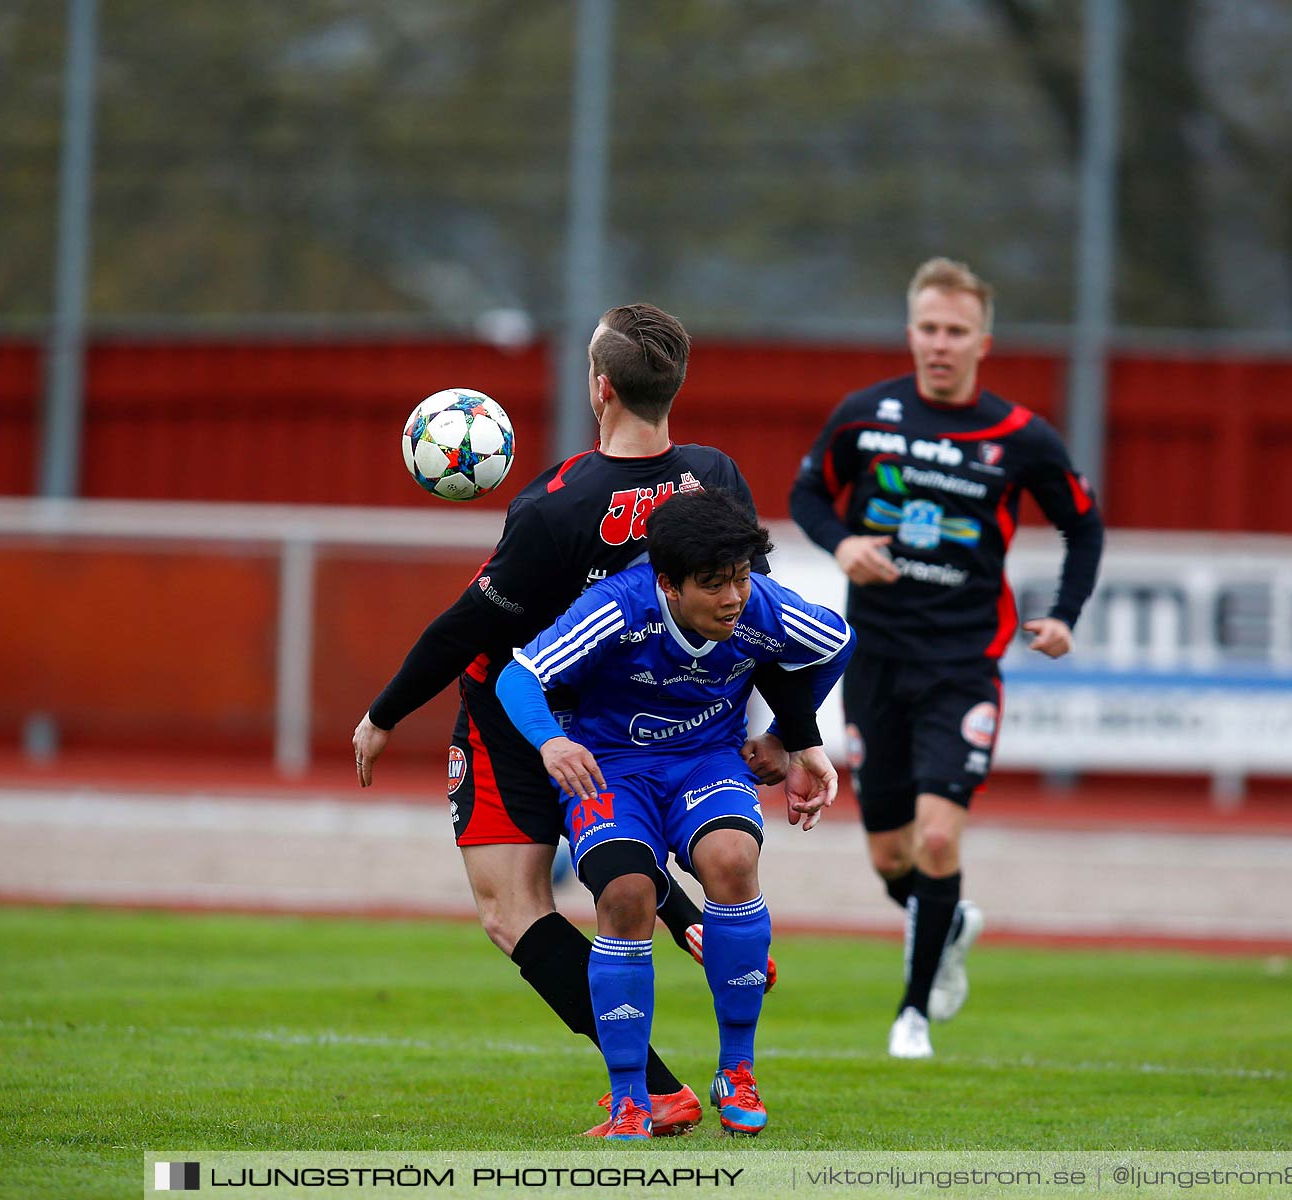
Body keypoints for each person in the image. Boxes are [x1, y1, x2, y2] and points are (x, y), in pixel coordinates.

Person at [351, 303, 834, 1137]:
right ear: (673, 384)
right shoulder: (715, 476)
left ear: (599, 388)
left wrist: (384, 712)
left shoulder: (555, 505)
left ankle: (655, 1088)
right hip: (641, 724)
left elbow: (476, 625)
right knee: (628, 873)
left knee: (513, 911)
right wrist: (799, 736)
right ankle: (690, 928)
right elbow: (766, 630)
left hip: (525, 716)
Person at [788, 257, 1105, 1059]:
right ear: (911, 333)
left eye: (956, 331)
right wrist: (843, 543)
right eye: (928, 328)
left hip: (964, 663)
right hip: (875, 662)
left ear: (983, 342)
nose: (940, 343)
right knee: (890, 854)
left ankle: (913, 1015)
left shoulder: (1020, 436)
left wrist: (1065, 614)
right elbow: (805, 495)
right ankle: (949, 919)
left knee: (936, 841)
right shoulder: (866, 416)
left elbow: (1083, 524)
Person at [495, 488, 851, 1139]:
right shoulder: (618, 606)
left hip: (707, 762)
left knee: (733, 859)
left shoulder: (757, 609)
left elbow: (836, 644)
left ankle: (737, 1071)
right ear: (668, 583)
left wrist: (786, 737)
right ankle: (631, 1098)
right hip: (611, 769)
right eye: (714, 585)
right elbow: (518, 678)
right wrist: (553, 740)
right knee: (627, 894)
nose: (733, 598)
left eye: (741, 577)